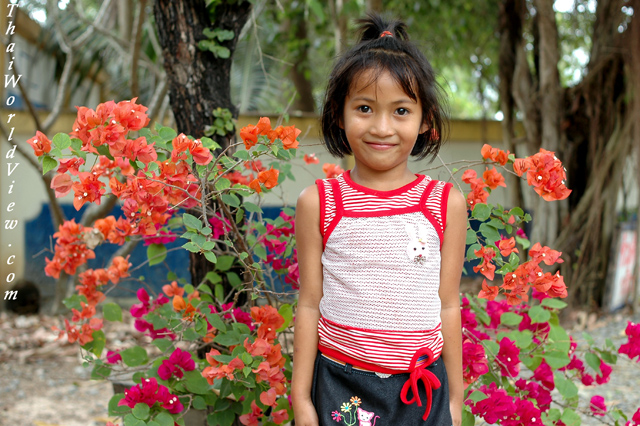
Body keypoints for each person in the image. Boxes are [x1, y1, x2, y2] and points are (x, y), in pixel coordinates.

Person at [291, 12, 466, 426]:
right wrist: (301, 400)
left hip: (423, 389)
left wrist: (456, 401)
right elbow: (309, 303)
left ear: (425, 120)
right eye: (365, 108)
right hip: (341, 387)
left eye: (401, 110)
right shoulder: (320, 202)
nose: (382, 127)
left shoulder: (445, 203)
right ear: (339, 112)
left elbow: (448, 304)